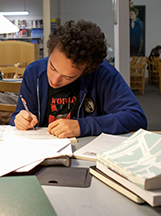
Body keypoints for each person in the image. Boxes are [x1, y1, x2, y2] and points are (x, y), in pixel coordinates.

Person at [9, 20, 147, 138]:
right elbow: (18, 117)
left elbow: (136, 118)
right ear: (49, 53)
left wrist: (82, 126)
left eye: (68, 76)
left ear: (86, 69)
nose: (55, 80)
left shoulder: (104, 74)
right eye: (52, 67)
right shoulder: (33, 72)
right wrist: (19, 120)